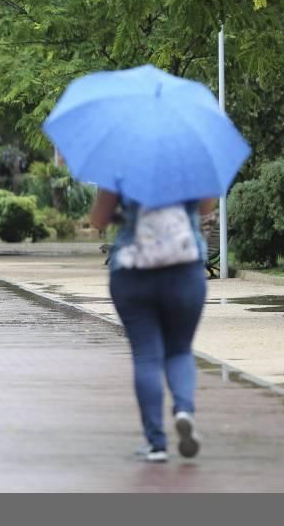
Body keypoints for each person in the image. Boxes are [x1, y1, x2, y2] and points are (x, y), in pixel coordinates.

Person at [91, 191, 214, 463]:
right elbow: (206, 207)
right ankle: (184, 411)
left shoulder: (121, 160)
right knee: (180, 350)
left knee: (146, 356)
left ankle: (156, 443)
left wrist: (119, 215)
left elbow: (98, 219)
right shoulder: (191, 158)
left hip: (133, 273)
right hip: (184, 270)